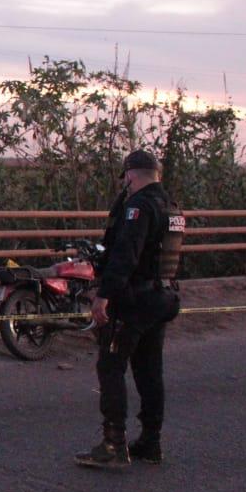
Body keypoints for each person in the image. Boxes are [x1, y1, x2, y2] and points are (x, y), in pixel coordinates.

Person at [75, 150, 185, 469]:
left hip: (134, 301)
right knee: (150, 370)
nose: (124, 183)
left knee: (111, 366)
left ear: (131, 175)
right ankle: (151, 442)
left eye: (125, 177)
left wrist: (103, 296)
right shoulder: (172, 207)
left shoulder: (138, 207)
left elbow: (126, 254)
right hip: (161, 297)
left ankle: (113, 444)